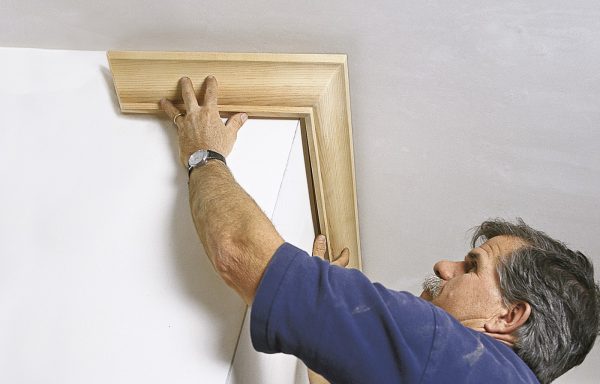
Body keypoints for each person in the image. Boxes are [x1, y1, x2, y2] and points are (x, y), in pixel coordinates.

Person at [160, 76, 599, 384]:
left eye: (471, 266)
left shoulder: (445, 349)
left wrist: (204, 153)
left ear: (508, 317)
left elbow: (236, 250)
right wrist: (323, 335)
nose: (444, 267)